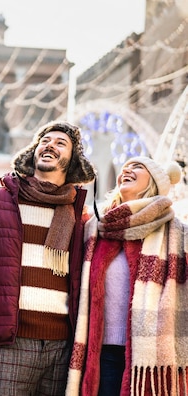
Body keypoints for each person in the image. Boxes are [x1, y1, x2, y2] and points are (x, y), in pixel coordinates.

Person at [0, 120, 96, 395]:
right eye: (45, 140)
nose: (50, 146)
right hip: (11, 341)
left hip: (61, 346)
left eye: (60, 143)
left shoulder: (79, 215)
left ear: (72, 160)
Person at [66, 156, 187, 395]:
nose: (127, 170)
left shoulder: (177, 232)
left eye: (137, 167)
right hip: (102, 354)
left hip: (152, 358)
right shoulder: (96, 229)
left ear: (154, 182)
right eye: (124, 168)